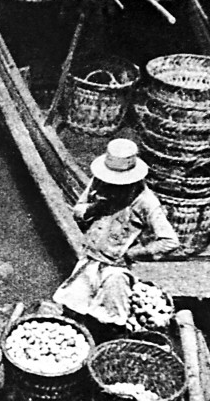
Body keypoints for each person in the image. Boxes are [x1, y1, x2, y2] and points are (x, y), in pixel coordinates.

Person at [52, 138, 179, 337]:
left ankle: (109, 342)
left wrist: (131, 254)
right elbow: (77, 210)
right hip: (90, 259)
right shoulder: (99, 183)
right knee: (73, 304)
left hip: (115, 268)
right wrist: (94, 208)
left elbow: (170, 241)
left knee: (112, 317)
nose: (113, 187)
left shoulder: (145, 202)